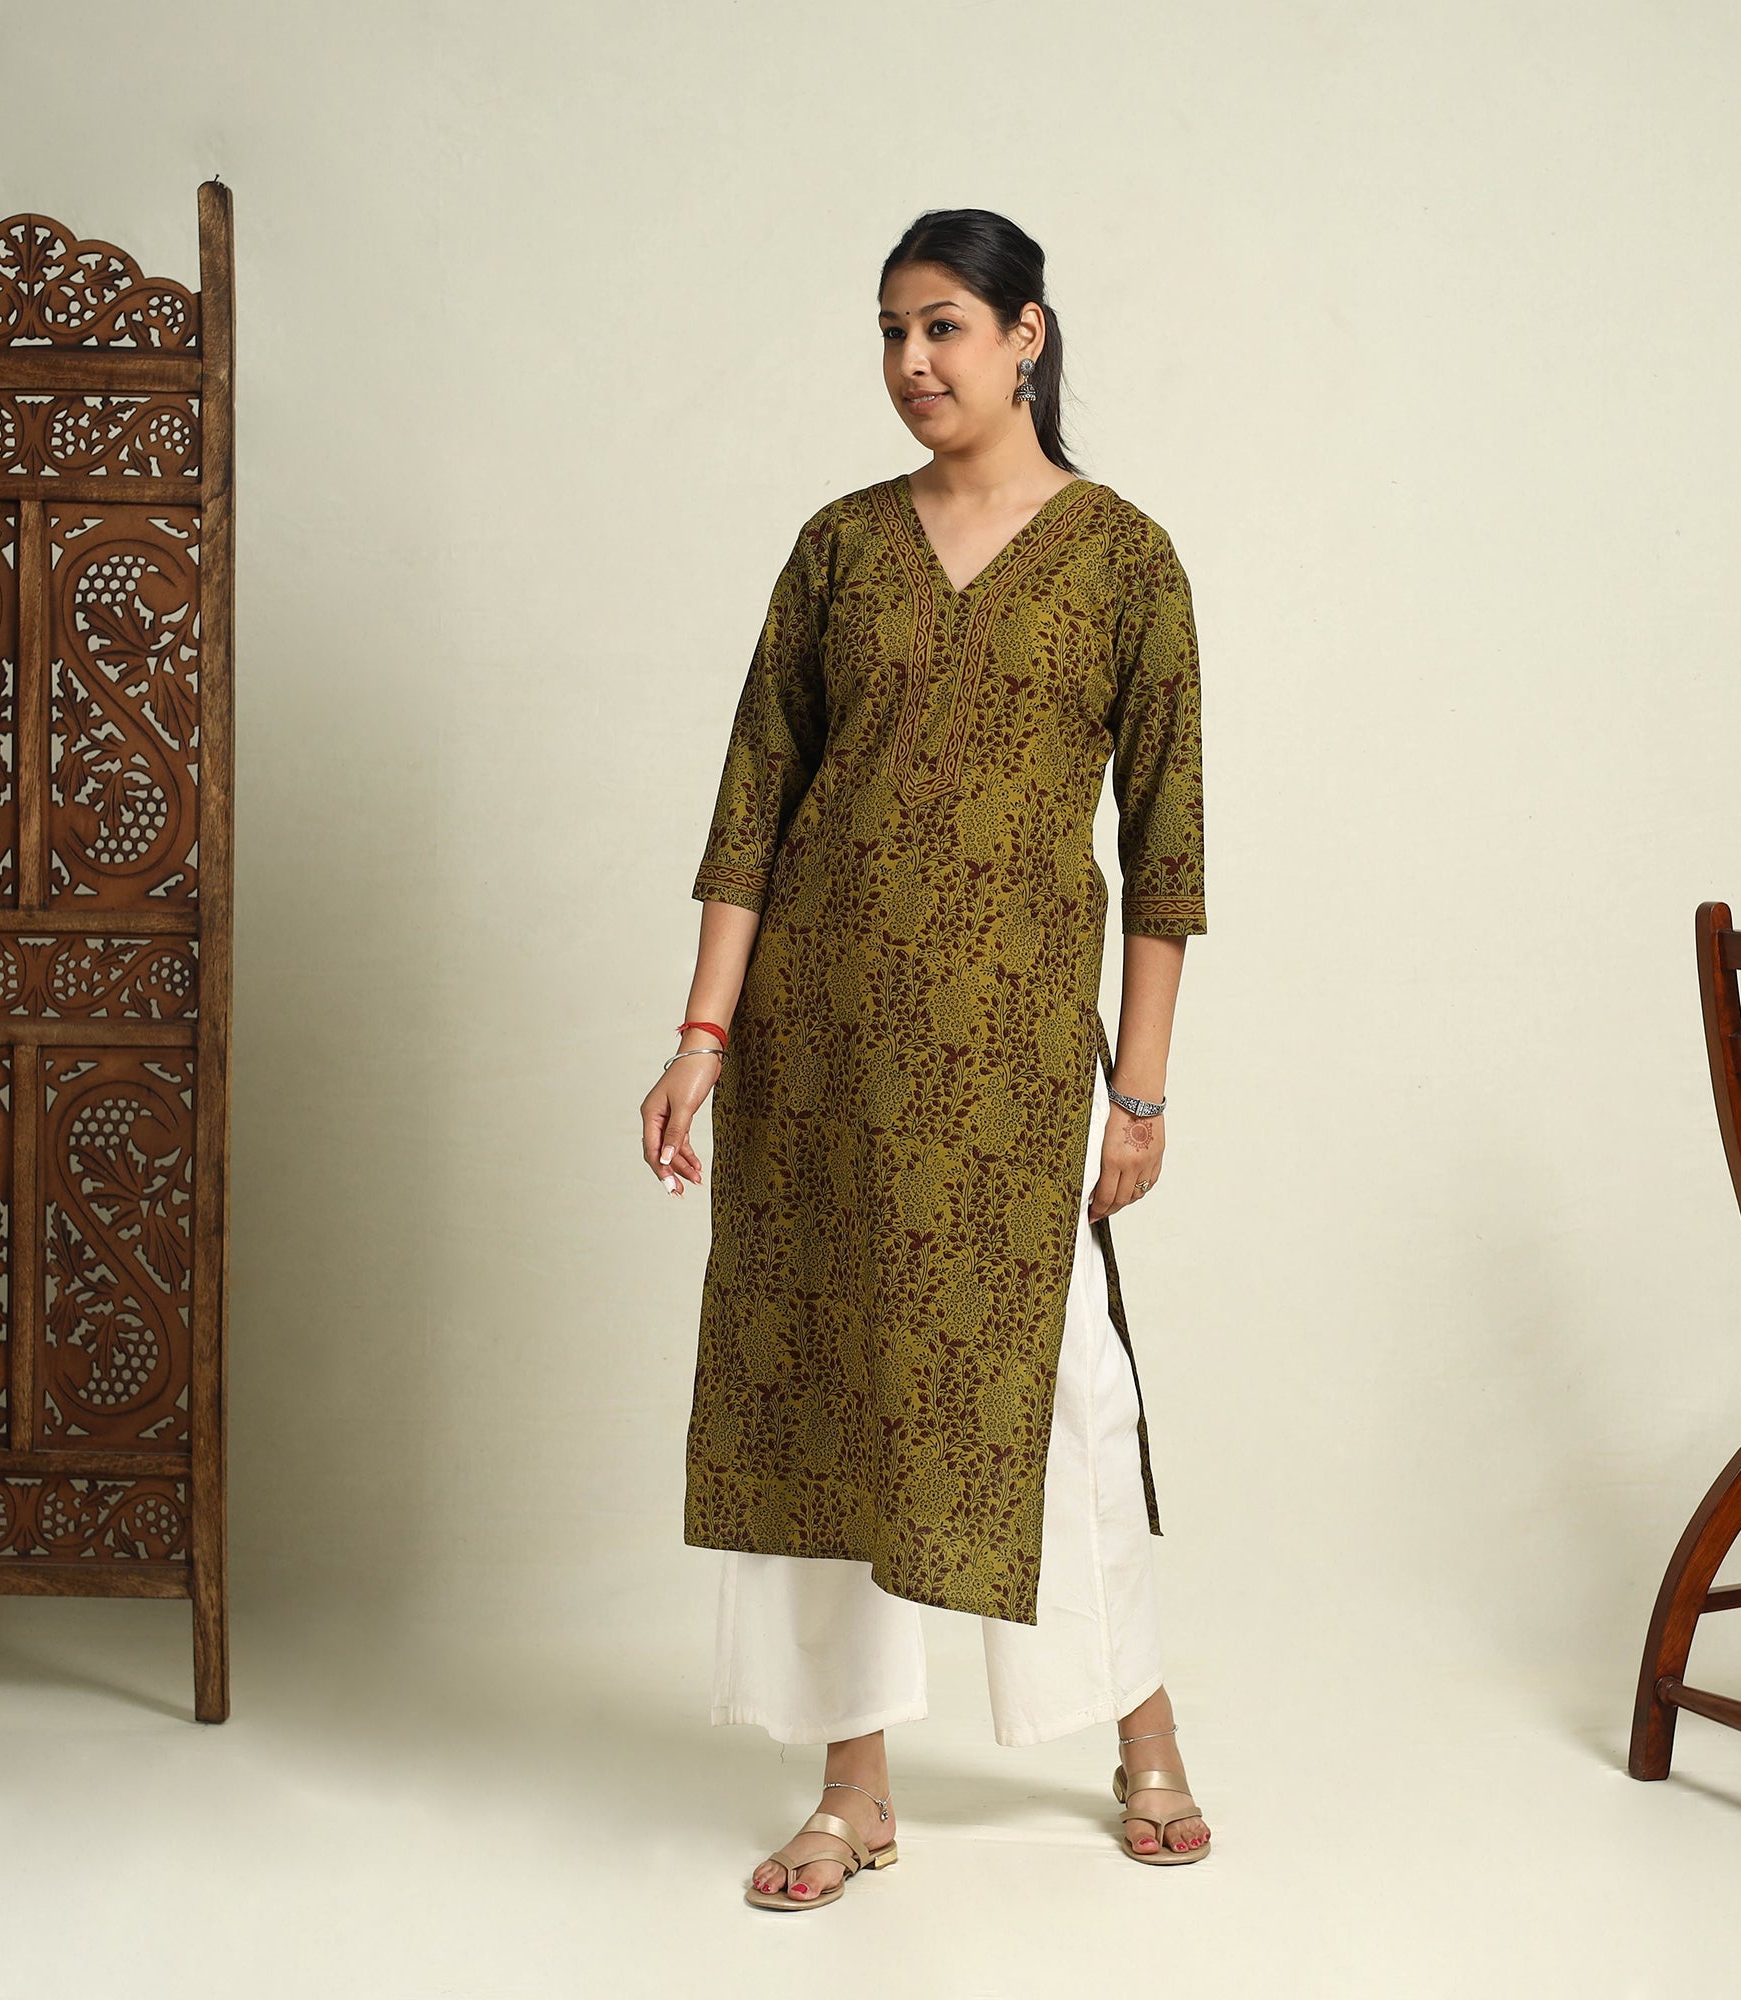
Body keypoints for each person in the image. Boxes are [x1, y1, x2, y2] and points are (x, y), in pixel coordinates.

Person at [640, 207, 1211, 1912]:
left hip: (1016, 1061)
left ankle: (1145, 1733)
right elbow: (754, 803)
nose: (911, 362)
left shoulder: (1124, 560)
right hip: (819, 1053)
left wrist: (1141, 1088)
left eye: (944, 325)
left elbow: (1167, 849)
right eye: (891, 331)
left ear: (1027, 335)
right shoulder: (836, 549)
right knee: (834, 1398)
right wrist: (701, 1036)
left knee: (1071, 1394)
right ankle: (852, 1791)